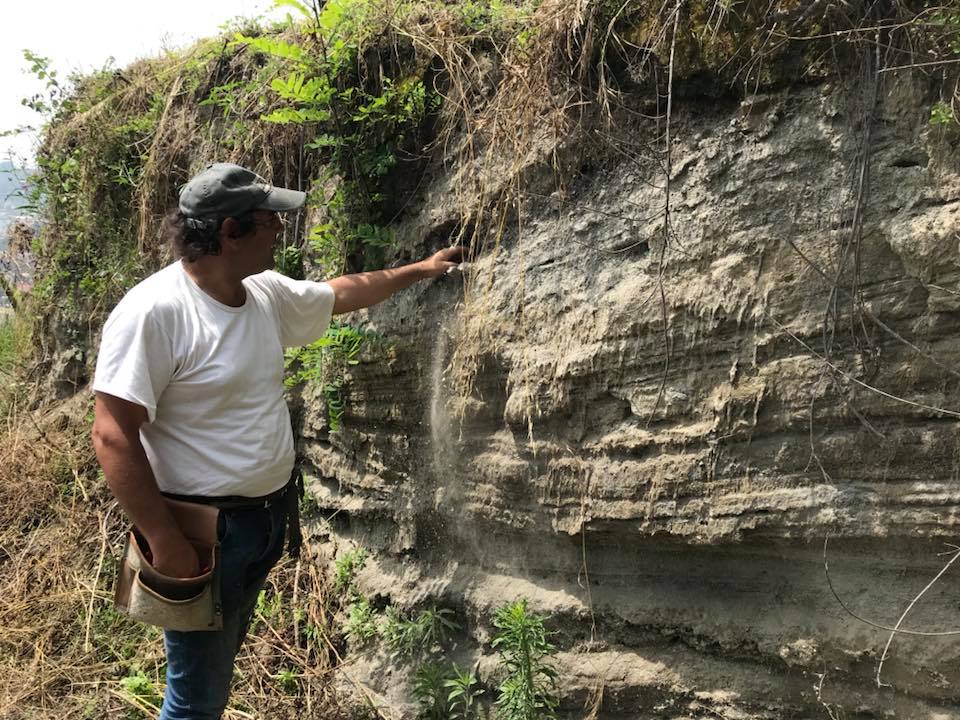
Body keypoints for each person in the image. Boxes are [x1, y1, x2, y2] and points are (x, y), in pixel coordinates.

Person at [91, 162, 462, 719]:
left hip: (261, 523)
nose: (281, 231)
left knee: (216, 668)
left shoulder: (261, 294)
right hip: (202, 537)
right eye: (270, 221)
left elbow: (339, 295)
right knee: (195, 696)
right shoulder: (156, 313)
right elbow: (113, 435)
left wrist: (423, 268)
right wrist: (164, 539)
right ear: (229, 232)